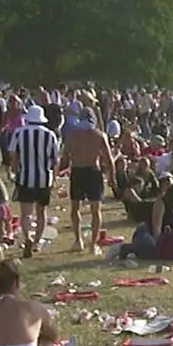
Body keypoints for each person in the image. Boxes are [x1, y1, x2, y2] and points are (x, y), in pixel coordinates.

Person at [62, 107, 115, 254]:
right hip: (93, 171)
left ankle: (78, 240)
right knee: (95, 210)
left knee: (75, 208)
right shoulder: (99, 135)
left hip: (77, 171)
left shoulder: (71, 135)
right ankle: (93, 244)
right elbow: (109, 159)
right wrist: (112, 177)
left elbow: (65, 157)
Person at [9, 104, 59, 258]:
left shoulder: (19, 133)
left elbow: (13, 155)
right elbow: (55, 159)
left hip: (25, 177)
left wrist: (15, 170)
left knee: (25, 214)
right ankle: (37, 242)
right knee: (41, 212)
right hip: (44, 178)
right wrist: (54, 177)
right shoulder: (50, 135)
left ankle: (27, 238)